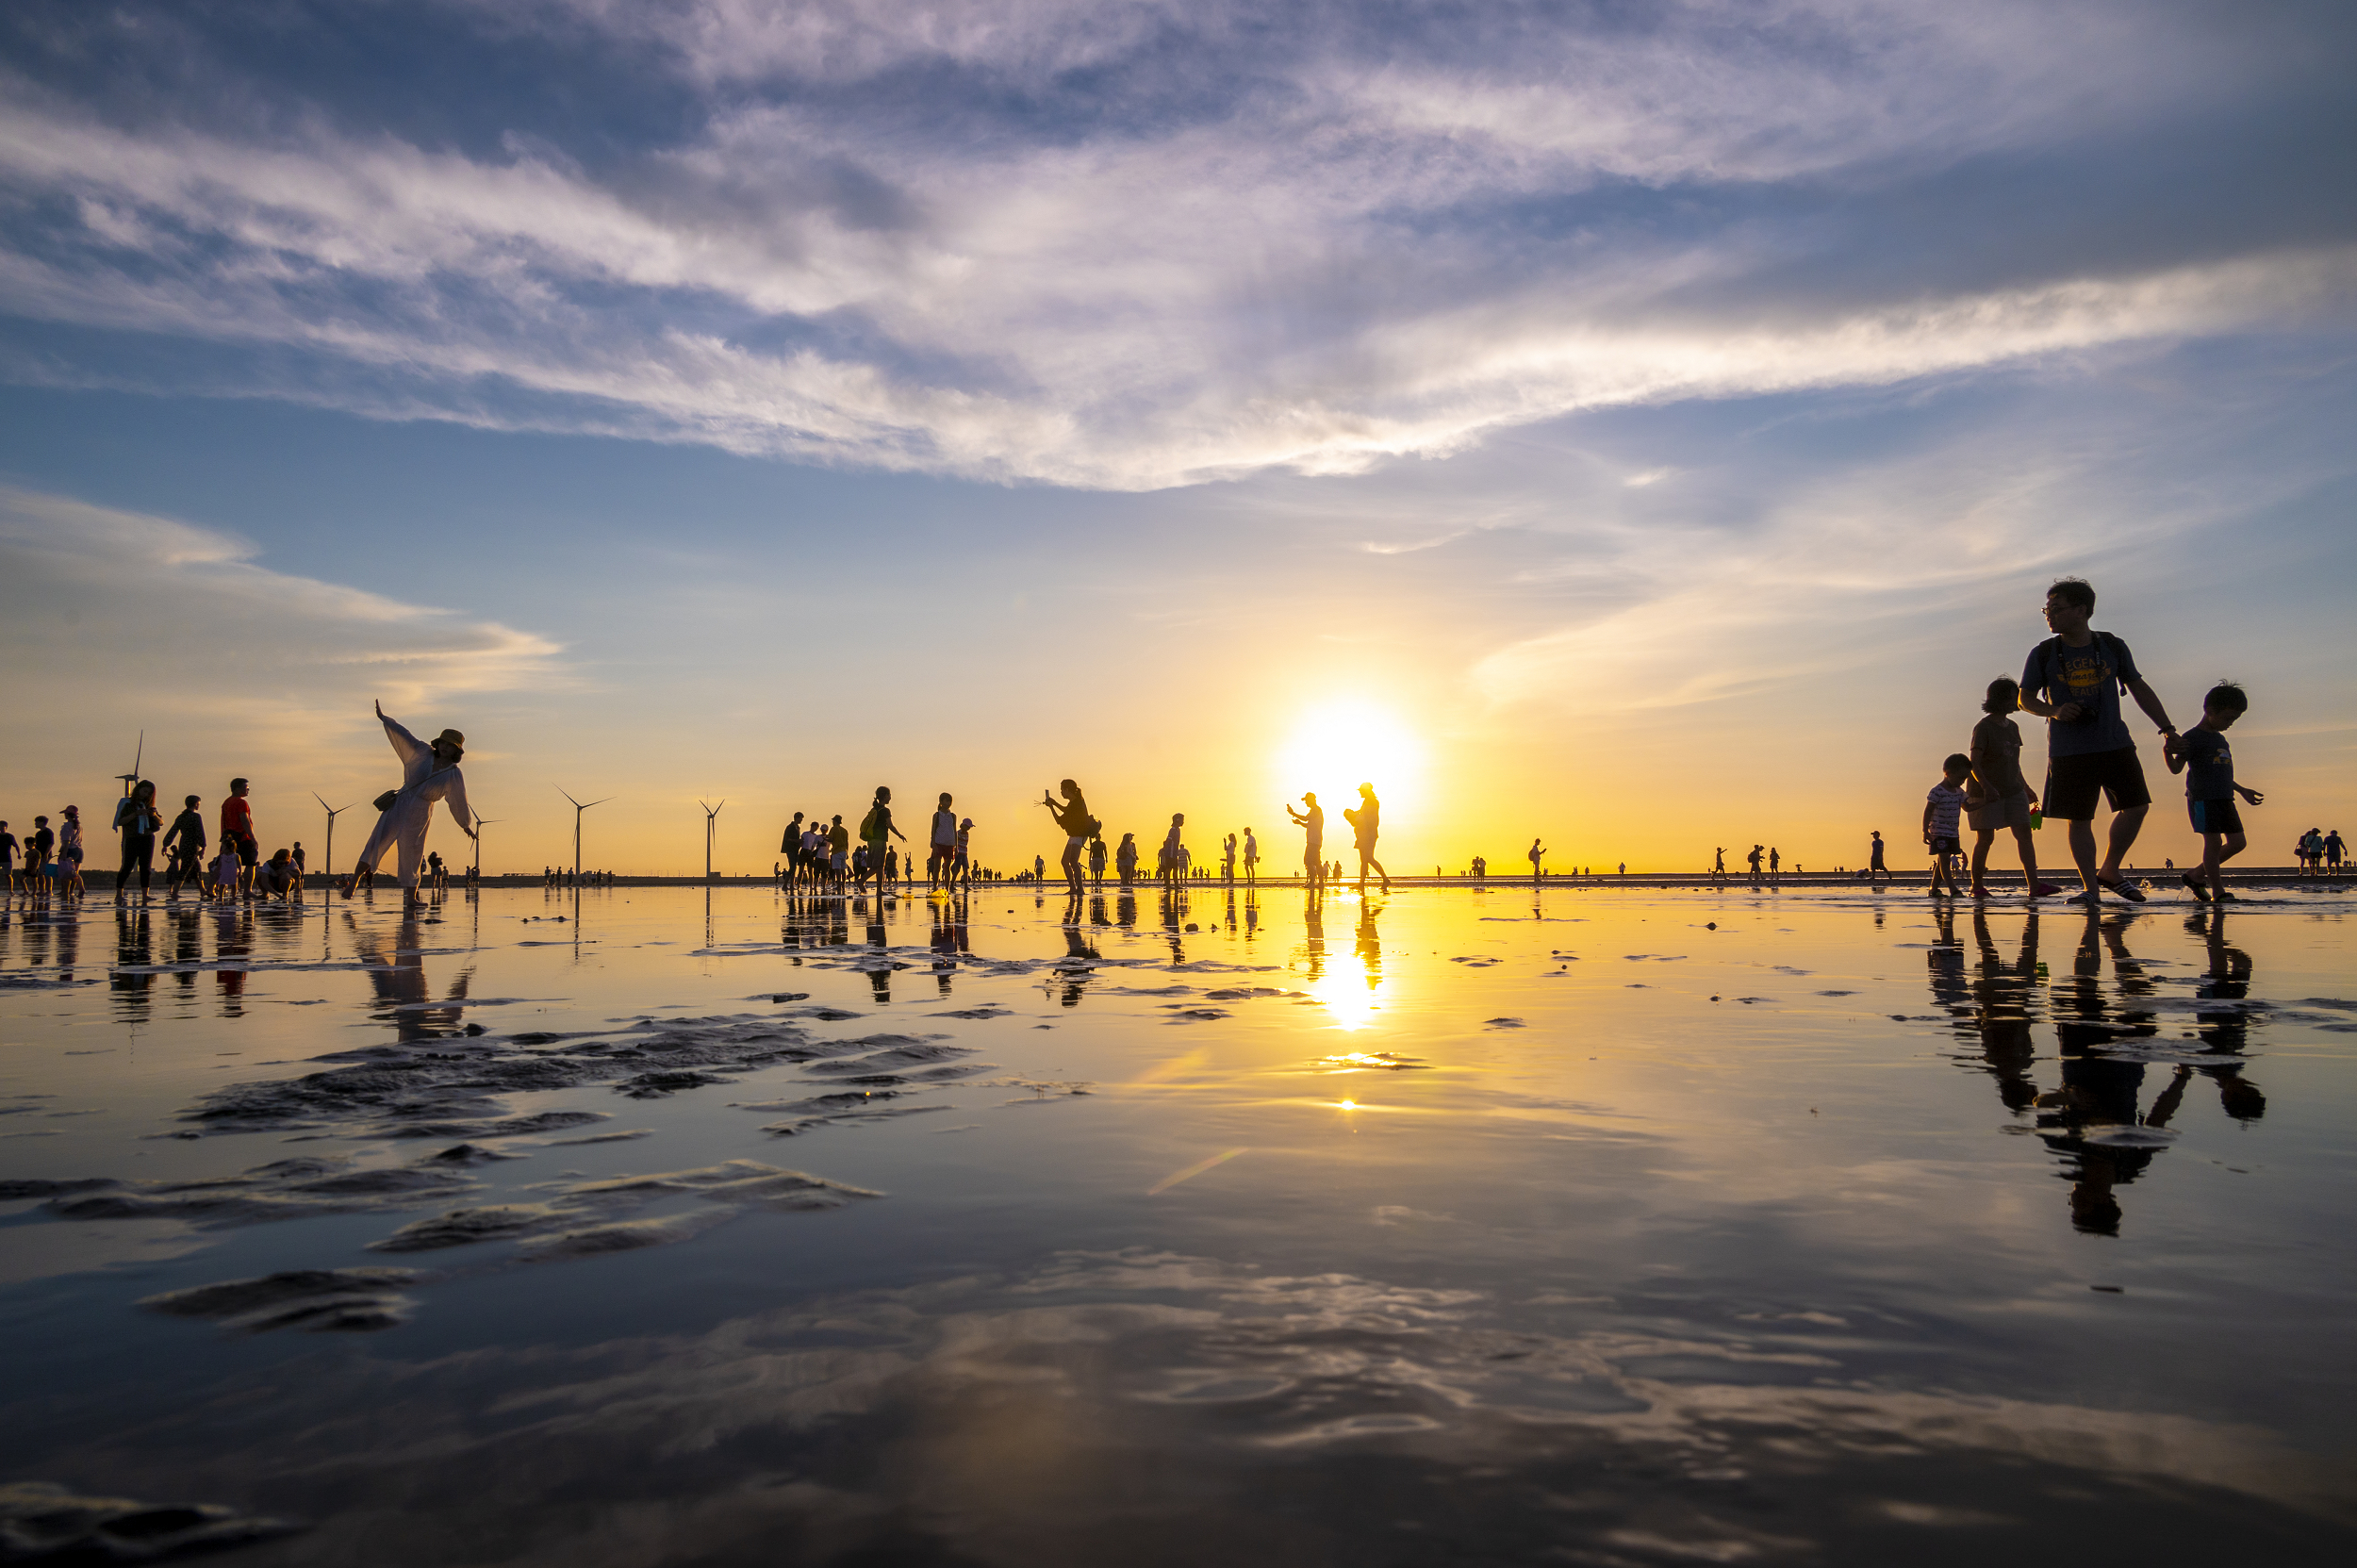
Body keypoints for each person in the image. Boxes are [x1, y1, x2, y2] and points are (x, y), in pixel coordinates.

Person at [2019, 577, 2178, 906]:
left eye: (2056, 609)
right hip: (2068, 749)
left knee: (2136, 807)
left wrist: (2167, 729)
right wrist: (2056, 710)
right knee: (2079, 819)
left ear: (2081, 610)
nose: (2049, 615)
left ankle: (2110, 870)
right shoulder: (2044, 653)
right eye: (2046, 609)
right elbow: (2024, 699)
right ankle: (2090, 888)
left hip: (2114, 741)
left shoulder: (2111, 645)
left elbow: (2139, 688)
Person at [346, 704, 475, 905]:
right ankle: (353, 883)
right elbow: (405, 736)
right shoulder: (423, 752)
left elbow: (458, 800)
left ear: (456, 750)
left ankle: (411, 898)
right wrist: (385, 719)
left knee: (413, 852)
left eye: (450, 746)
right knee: (377, 841)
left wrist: (465, 824)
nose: (445, 747)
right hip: (400, 803)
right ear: (438, 742)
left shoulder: (453, 773)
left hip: (421, 812)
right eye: (443, 743)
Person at [2165, 683, 2263, 903]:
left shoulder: (2220, 738)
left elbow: (2222, 772)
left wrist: (2242, 790)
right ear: (2210, 711)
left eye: (2234, 720)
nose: (2230, 724)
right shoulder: (2193, 737)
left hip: (2225, 798)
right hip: (2203, 798)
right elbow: (2176, 769)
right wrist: (2166, 751)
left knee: (2238, 843)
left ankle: (2196, 874)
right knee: (2214, 842)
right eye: (2227, 718)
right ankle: (2218, 891)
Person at [1966, 676, 2046, 900]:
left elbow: (2014, 761)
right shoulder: (1983, 727)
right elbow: (1974, 762)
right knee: (1985, 839)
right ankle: (1977, 886)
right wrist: (1986, 786)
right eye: (2013, 697)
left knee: (2024, 833)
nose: (2017, 701)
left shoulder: (2013, 727)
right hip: (1985, 792)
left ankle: (2035, 885)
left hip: (2013, 789)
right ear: (2002, 699)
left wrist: (2026, 787)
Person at [1923, 753, 1970, 898]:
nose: (1962, 781)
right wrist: (1925, 830)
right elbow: (1928, 810)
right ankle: (1953, 889)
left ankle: (1933, 889)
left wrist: (1986, 802)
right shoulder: (1937, 791)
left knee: (1941, 861)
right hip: (1939, 831)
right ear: (1948, 774)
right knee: (1944, 860)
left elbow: (1967, 807)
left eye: (1965, 778)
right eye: (1960, 778)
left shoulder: (1959, 792)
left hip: (1952, 832)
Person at [1039, 779, 1094, 896]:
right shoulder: (1075, 802)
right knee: (1065, 861)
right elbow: (1066, 810)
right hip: (1074, 834)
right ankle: (1074, 888)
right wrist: (1054, 803)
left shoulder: (1076, 804)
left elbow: (1060, 821)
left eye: (1062, 790)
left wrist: (1051, 807)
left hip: (1079, 835)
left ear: (1067, 790)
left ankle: (1080, 889)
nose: (1061, 792)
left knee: (1073, 862)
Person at [112, 781, 162, 904]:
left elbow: (161, 822)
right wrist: (135, 814)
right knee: (127, 866)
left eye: (149, 793)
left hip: (147, 837)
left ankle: (145, 895)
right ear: (138, 789)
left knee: (146, 867)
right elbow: (120, 821)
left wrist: (154, 814)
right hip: (131, 838)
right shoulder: (126, 803)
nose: (146, 795)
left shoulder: (148, 804)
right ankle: (119, 894)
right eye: (144, 791)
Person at [1343, 784, 1391, 894]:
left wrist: (1356, 820)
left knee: (1368, 858)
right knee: (1364, 860)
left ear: (1366, 791)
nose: (1360, 792)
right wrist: (1350, 813)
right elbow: (1361, 812)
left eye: (1361, 791)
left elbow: (1371, 820)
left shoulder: (1372, 802)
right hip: (1364, 834)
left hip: (1368, 834)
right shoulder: (1367, 802)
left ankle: (1385, 879)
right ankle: (1362, 883)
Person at [221, 780, 257, 899]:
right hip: (242, 836)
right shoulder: (241, 802)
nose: (248, 790)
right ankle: (247, 890)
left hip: (228, 836)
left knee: (227, 863)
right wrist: (252, 837)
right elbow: (244, 820)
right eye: (246, 787)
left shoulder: (226, 802)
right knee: (250, 863)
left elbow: (224, 821)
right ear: (237, 788)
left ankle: (222, 888)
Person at [1286, 793, 1325, 889]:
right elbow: (1308, 825)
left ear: (1312, 800)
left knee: (1308, 860)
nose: (1306, 802)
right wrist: (1299, 823)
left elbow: (1305, 818)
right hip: (1315, 840)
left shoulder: (1316, 809)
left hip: (1313, 840)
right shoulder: (1314, 811)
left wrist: (1293, 813)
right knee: (1316, 862)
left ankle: (1313, 882)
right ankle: (1320, 883)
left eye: (1306, 800)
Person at [928, 794, 958, 888]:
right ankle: (935, 886)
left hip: (949, 844)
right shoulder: (937, 815)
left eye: (949, 801)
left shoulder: (953, 816)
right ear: (941, 802)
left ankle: (947, 888)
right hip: (939, 843)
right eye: (946, 801)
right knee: (937, 867)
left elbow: (954, 830)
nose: (948, 803)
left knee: (947, 867)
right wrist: (933, 843)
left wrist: (956, 846)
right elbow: (933, 830)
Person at [58, 806, 86, 897]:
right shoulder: (79, 826)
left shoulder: (67, 826)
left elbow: (66, 841)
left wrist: (64, 853)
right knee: (74, 873)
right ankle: (76, 889)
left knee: (66, 873)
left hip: (70, 850)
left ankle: (65, 892)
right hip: (79, 850)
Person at [1160, 814, 1186, 887]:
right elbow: (1168, 839)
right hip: (1170, 852)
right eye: (1182, 820)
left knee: (1175, 868)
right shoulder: (1173, 830)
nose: (1183, 822)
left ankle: (1176, 884)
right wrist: (1164, 849)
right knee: (1168, 868)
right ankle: (1168, 884)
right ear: (1177, 820)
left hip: (1174, 853)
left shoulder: (1178, 830)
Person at [0, 820, 16, 895]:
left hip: (6, 858)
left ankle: (11, 890)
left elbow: (15, 845)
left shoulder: (9, 836)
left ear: (6, 827)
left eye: (2, 826)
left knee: (8, 875)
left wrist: (18, 854)